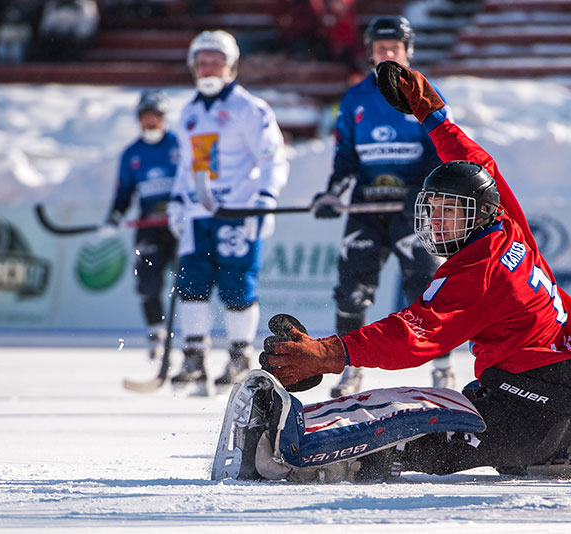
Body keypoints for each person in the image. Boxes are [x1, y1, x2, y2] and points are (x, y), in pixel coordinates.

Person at [237, 62, 571, 482]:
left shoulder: (480, 269)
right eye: (433, 210)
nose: (436, 222)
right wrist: (433, 115)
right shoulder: (503, 225)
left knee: (420, 431)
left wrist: (330, 353)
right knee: (435, 405)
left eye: (449, 212)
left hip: (534, 400)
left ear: (477, 212)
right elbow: (479, 164)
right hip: (561, 373)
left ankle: (302, 450)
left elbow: (413, 334)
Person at [311, 15, 455, 397]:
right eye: (380, 49)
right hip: (366, 211)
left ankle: (442, 369)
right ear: (370, 52)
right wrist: (331, 194)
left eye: (394, 48)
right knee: (350, 291)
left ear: (408, 52)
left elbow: (445, 152)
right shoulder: (356, 97)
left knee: (427, 290)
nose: (387, 54)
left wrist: (424, 192)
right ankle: (350, 370)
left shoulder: (425, 93)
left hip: (413, 214)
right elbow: (345, 158)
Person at [167, 30, 289, 395]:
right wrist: (177, 201)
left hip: (237, 210)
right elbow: (185, 168)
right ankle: (193, 356)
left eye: (214, 61)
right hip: (198, 214)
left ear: (231, 65)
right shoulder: (187, 113)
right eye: (201, 61)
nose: (207, 68)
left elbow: (272, 158)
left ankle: (238, 355)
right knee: (191, 284)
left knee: (237, 285)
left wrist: (265, 198)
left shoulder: (250, 109)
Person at [105, 89, 179, 361]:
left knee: (191, 282)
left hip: (179, 225)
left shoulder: (179, 145)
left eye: (155, 118)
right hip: (149, 225)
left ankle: (193, 344)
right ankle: (156, 333)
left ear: (163, 118)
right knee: (147, 283)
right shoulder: (131, 154)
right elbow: (123, 192)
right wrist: (114, 215)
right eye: (145, 118)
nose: (150, 123)